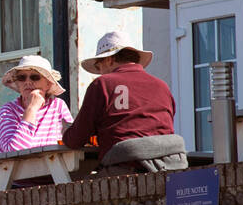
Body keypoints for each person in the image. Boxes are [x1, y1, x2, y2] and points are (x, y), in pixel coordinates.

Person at [62, 31, 187, 176]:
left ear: (109, 60)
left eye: (98, 66)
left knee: (78, 192)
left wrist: (65, 132)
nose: (99, 72)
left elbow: (76, 139)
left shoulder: (102, 84)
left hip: (124, 169)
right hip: (169, 169)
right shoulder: (162, 86)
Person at [0, 55, 74, 151]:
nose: (27, 82)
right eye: (22, 77)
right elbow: (14, 150)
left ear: (48, 83)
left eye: (35, 77)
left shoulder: (58, 106)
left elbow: (72, 141)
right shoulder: (8, 110)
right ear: (18, 83)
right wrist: (32, 109)